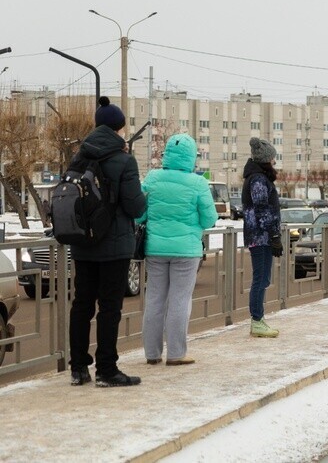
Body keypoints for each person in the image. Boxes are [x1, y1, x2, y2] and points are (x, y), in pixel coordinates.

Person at [69, 96, 146, 387]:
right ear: (118, 129)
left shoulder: (79, 156)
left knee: (82, 304)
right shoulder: (125, 160)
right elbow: (135, 207)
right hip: (114, 246)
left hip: (82, 243)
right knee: (110, 307)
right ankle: (106, 370)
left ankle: (78, 368)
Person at [139, 134, 218, 366]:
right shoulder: (198, 183)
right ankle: (176, 353)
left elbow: (139, 214)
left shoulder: (153, 178)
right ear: (191, 157)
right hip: (186, 250)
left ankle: (152, 354)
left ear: (168, 155)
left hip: (155, 248)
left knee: (154, 299)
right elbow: (210, 219)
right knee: (180, 300)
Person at [242, 137, 282, 338]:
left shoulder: (259, 177)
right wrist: (274, 235)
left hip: (262, 235)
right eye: (273, 157)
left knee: (264, 278)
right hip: (260, 236)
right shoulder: (258, 179)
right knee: (260, 278)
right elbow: (262, 209)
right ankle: (256, 320)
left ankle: (259, 319)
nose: (274, 161)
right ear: (265, 159)